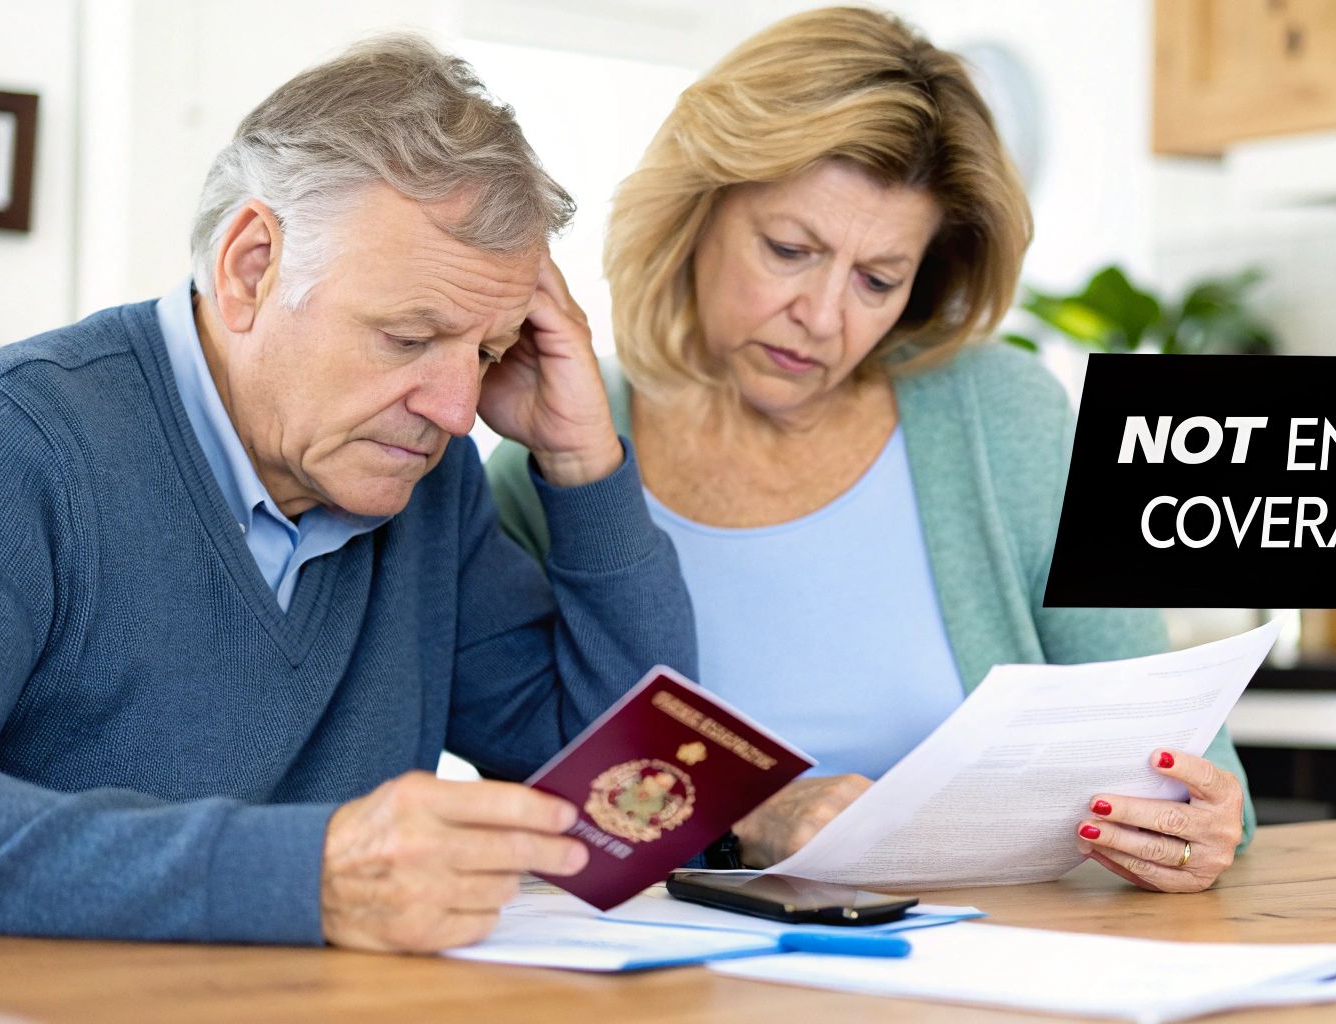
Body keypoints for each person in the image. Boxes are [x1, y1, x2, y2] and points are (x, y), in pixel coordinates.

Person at [0, 36, 695, 952]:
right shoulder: (3, 442)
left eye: (489, 352)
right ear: (251, 266)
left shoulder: (428, 478)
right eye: (409, 337)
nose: (459, 412)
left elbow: (638, 790)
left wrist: (586, 464)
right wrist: (305, 874)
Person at [488, 6, 1254, 894]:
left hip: (998, 958)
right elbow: (556, 803)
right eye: (788, 249)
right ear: (695, 212)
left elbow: (1188, 762)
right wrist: (749, 820)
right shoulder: (557, 460)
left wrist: (1202, 821)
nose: (821, 316)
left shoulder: (1001, 415)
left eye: (877, 279)